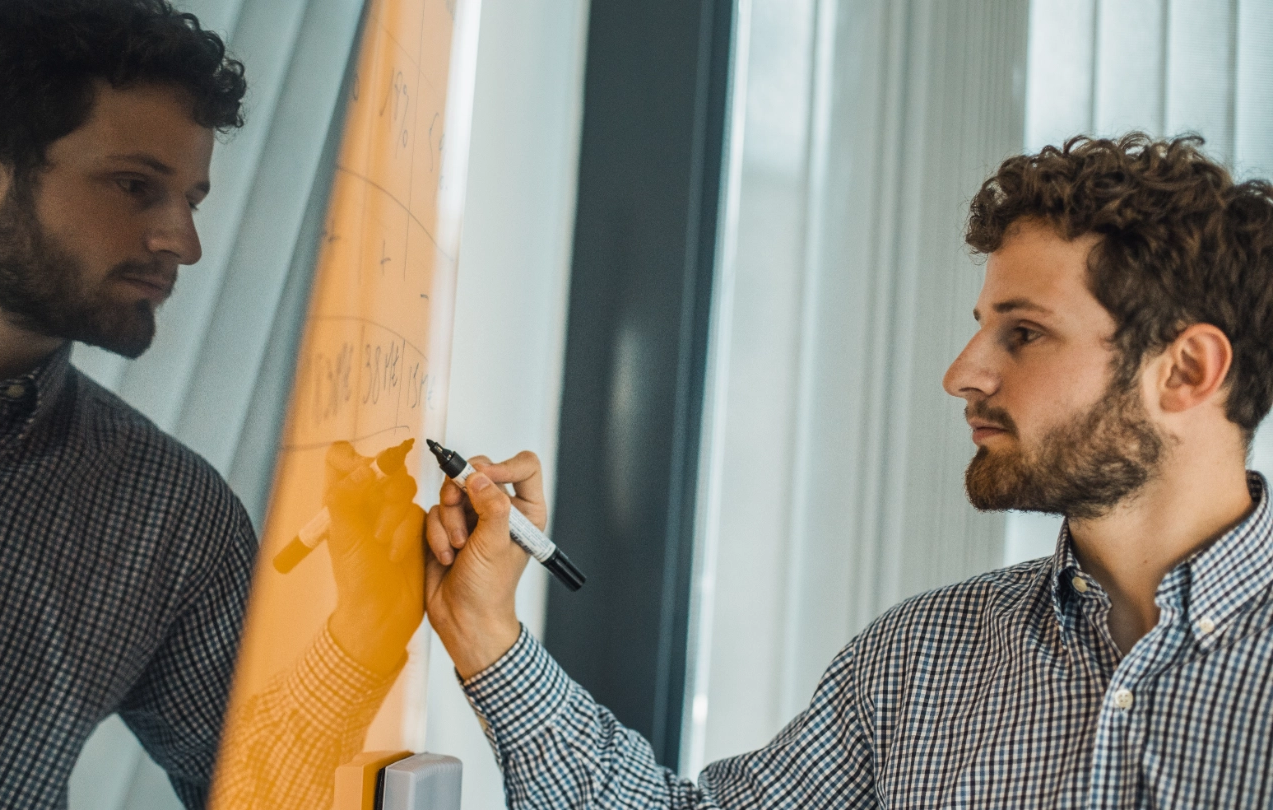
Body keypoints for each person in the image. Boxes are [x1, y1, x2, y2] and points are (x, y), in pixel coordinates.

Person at [424, 133, 1273, 808]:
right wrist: (485, 633)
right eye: (983, 325)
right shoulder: (920, 661)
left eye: (1025, 332)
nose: (962, 373)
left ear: (1188, 371)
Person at [0, 1, 421, 807]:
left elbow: (261, 791)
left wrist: (361, 633)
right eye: (135, 185)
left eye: (193, 199)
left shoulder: (173, 522)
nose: (183, 242)